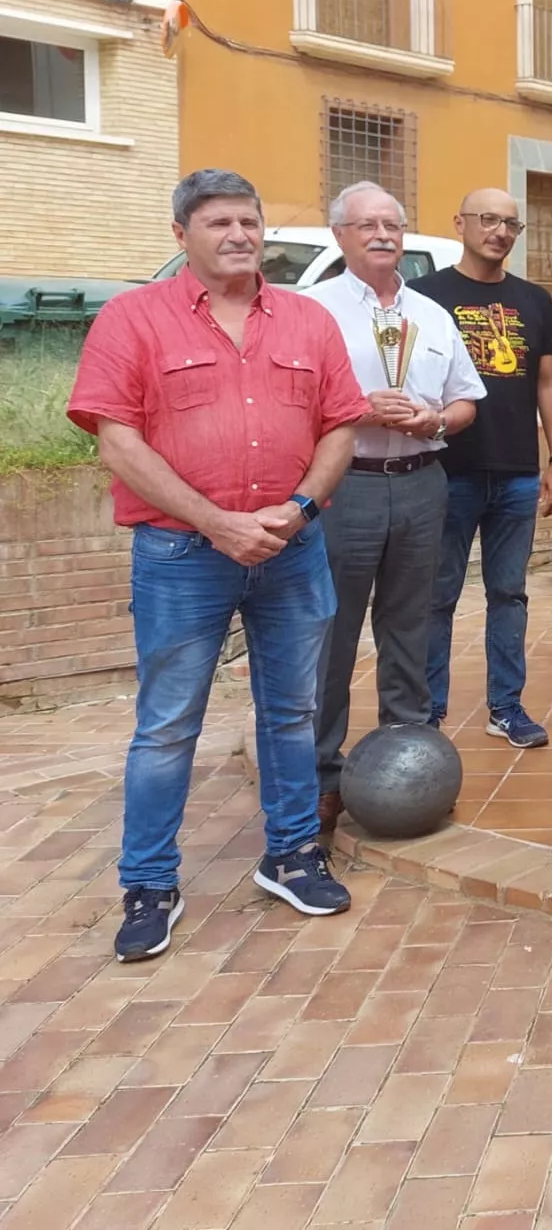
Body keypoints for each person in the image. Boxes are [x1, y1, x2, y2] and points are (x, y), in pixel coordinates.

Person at [68, 168, 364, 962]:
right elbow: (115, 438)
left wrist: (298, 510)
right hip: (179, 554)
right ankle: (150, 883)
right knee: (167, 726)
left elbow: (341, 425)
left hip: (293, 550)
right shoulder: (134, 318)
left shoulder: (307, 319)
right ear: (181, 236)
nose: (238, 235)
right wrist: (218, 523)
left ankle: (293, 854)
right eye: (217, 223)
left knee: (293, 711)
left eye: (248, 221)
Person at [303, 184, 485, 832]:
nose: (383, 234)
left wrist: (436, 417)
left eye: (393, 224)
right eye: (367, 225)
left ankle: (410, 762)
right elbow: (296, 402)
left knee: (411, 625)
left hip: (419, 480)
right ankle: (323, 776)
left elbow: (467, 401)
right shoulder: (313, 311)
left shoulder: (433, 316)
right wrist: (359, 410)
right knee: (334, 631)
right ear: (340, 235)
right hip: (344, 484)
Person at [413, 188, 552, 749]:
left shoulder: (534, 300)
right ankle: (427, 715)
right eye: (487, 219)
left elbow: (549, 382)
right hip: (445, 471)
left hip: (516, 472)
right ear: (460, 223)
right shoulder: (425, 297)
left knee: (510, 594)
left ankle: (506, 706)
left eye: (510, 224)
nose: (499, 231)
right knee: (438, 596)